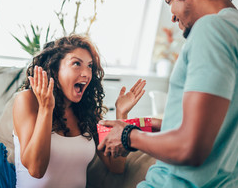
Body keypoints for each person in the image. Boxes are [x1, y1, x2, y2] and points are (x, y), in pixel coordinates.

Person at [97, 0, 238, 187]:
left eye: (170, 1)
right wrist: (167, 126)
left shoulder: (212, 29)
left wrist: (128, 136)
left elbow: (190, 149)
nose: (172, 16)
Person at [12, 35, 146, 187]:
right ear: (55, 70)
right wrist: (46, 109)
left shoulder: (87, 112)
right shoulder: (28, 100)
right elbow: (36, 170)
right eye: (77, 63)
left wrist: (121, 114)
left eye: (89, 66)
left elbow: (116, 166)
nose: (86, 73)